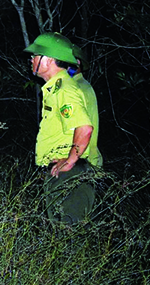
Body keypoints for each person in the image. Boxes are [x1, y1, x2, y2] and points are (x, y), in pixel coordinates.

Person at [26, 32, 102, 224]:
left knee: (68, 233)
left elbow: (85, 128)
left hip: (70, 172)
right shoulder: (56, 88)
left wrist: (69, 161)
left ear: (49, 60)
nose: (32, 59)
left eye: (36, 55)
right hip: (62, 171)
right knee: (61, 232)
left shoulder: (65, 89)